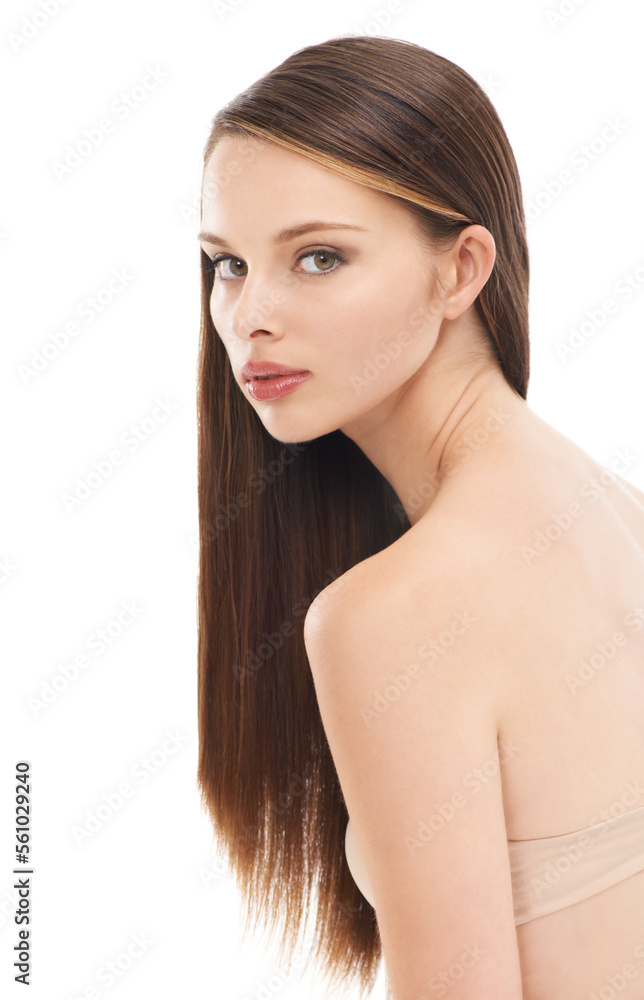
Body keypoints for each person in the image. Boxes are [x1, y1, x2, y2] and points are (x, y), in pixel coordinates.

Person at [195, 34, 644, 999]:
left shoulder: (393, 616)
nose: (249, 316)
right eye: (226, 264)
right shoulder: (615, 511)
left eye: (318, 257)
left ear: (460, 269)